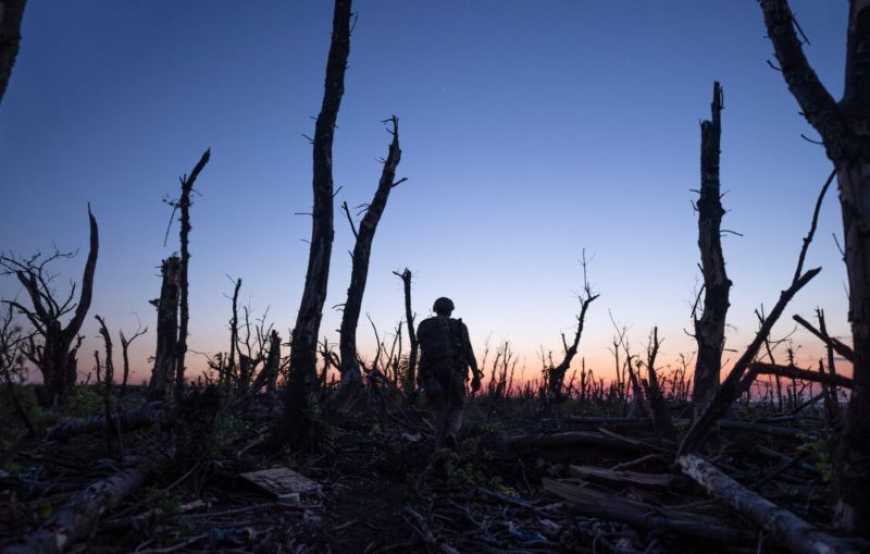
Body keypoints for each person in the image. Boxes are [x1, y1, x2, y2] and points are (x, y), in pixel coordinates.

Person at [417, 296, 481, 449]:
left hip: (431, 373)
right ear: (451, 310)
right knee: (458, 405)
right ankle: (451, 433)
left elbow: (423, 351)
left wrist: (421, 376)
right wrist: (476, 376)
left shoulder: (424, 325)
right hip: (454, 371)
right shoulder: (459, 326)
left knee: (438, 408)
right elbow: (468, 351)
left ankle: (439, 445)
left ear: (435, 309)